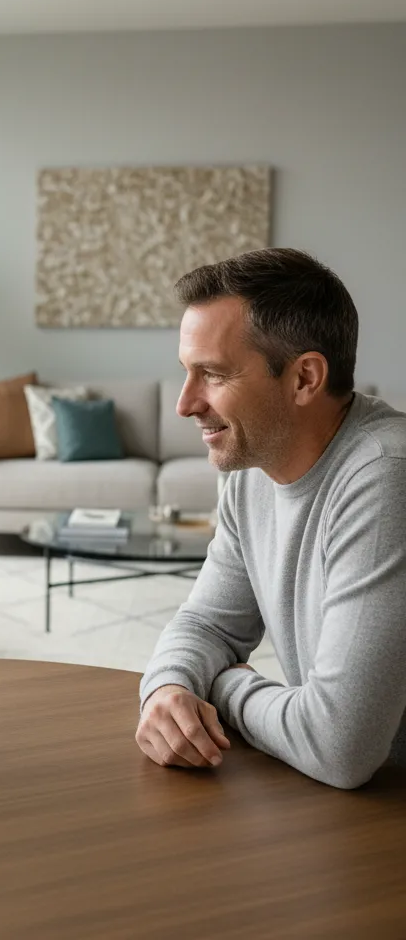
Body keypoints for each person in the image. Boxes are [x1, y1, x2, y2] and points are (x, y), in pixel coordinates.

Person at [136, 248, 406, 789]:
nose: (185, 404)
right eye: (187, 373)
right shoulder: (251, 469)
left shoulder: (385, 477)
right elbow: (208, 623)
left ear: (304, 378)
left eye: (211, 374)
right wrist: (169, 687)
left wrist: (226, 687)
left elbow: (340, 746)